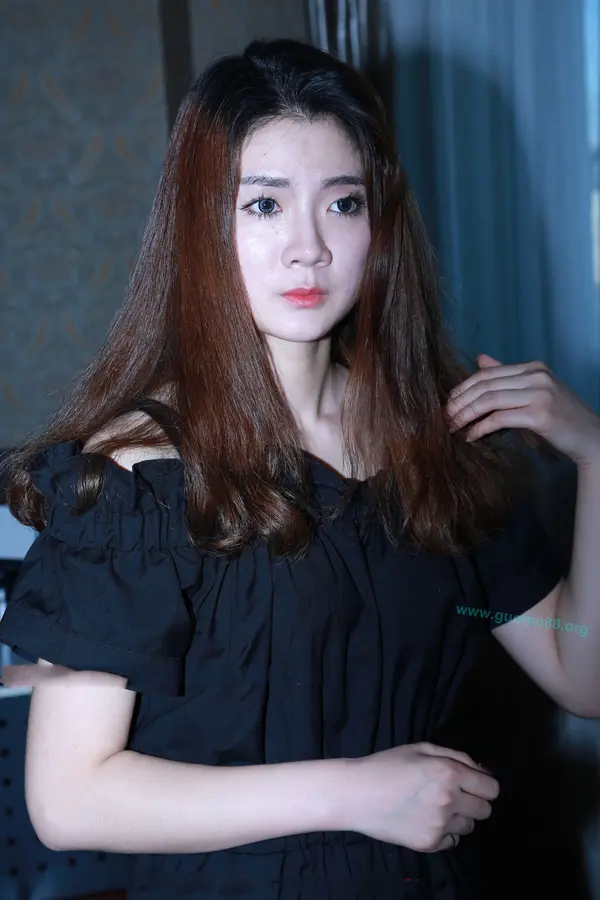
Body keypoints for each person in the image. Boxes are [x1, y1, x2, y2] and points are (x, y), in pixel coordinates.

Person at [0, 38, 571, 899]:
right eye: (264, 205)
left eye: (342, 203)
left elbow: (578, 662)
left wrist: (597, 456)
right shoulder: (138, 476)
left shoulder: (436, 445)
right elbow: (70, 799)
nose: (309, 248)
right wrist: (358, 793)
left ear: (381, 222)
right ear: (201, 227)